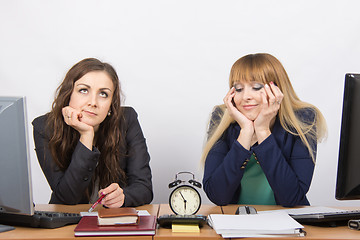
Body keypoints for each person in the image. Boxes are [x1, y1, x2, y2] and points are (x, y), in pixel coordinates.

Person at [201, 53, 327, 207]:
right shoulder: (220, 118)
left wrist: (262, 131)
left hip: (287, 221)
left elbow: (291, 198)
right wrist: (246, 132)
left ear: (277, 91)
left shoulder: (304, 120)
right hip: (234, 221)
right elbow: (217, 195)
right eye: (238, 88)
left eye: (256, 87)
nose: (246, 96)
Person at [32, 58, 153, 208]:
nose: (93, 102)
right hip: (67, 223)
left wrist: (124, 197)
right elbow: (67, 197)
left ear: (111, 105)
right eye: (84, 90)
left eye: (103, 94)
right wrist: (86, 135)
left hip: (113, 219)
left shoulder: (126, 120)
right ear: (69, 94)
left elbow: (144, 187)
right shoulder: (44, 127)